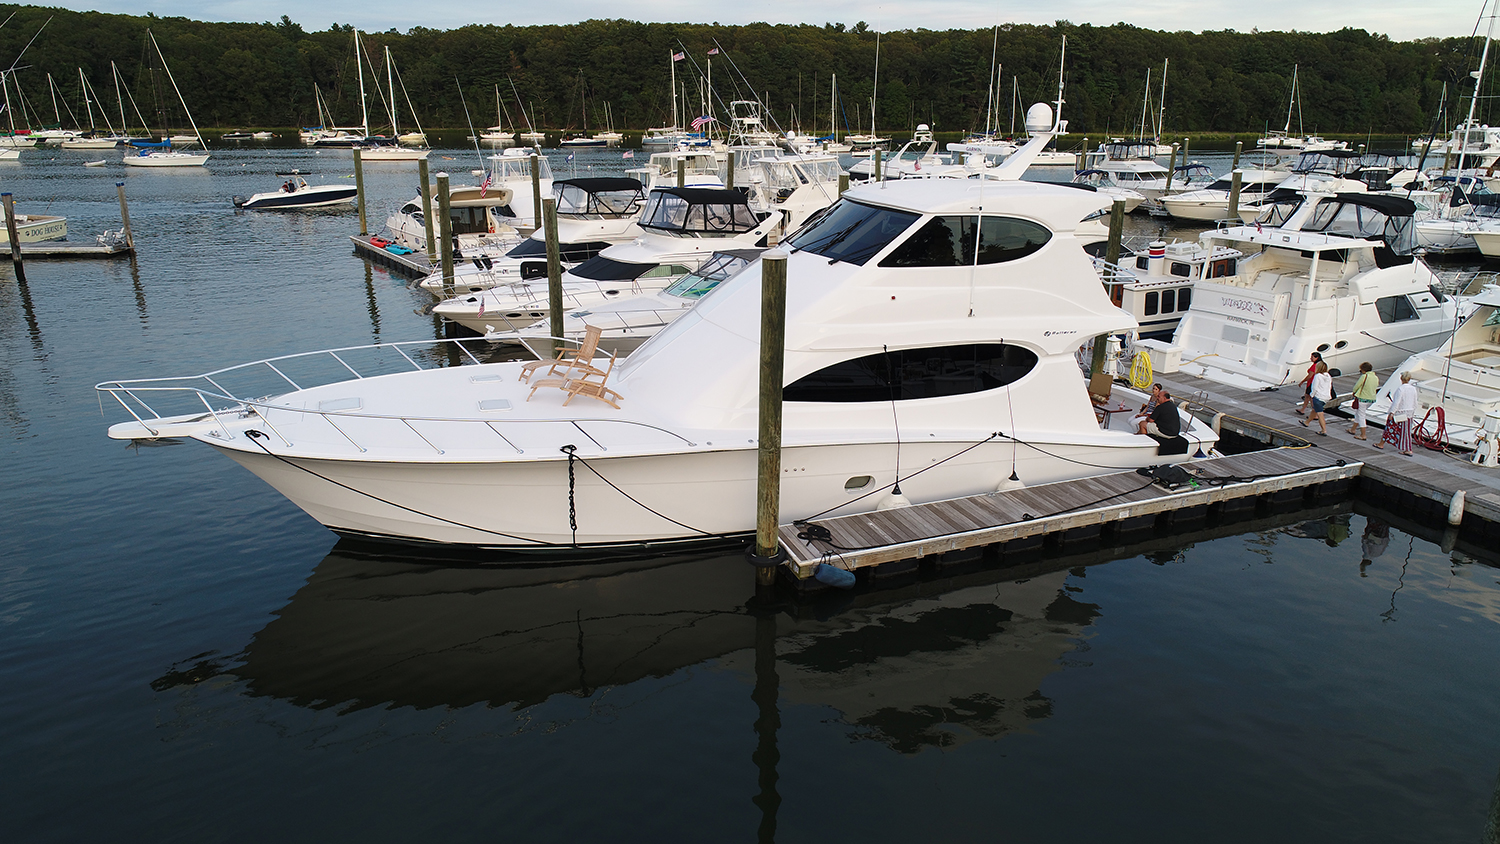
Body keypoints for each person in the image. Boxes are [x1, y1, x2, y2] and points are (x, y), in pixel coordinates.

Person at [1376, 371, 1418, 455]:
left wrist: (1392, 412)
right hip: (1409, 412)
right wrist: (1413, 411)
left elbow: (1396, 402)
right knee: (1407, 431)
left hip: (1399, 412)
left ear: (1401, 379)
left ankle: (1382, 444)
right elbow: (1415, 402)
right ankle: (1407, 448)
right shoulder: (1413, 389)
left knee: (1389, 428)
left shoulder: (1401, 389)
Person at [1300, 361, 1331, 436]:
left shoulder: (1317, 376)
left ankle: (1323, 430)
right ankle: (1306, 422)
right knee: (1314, 410)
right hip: (1326, 397)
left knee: (1320, 413)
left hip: (1318, 397)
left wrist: (1312, 395)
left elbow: (1314, 387)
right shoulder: (1328, 376)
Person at [1348, 362, 1378, 440]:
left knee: (1361, 416)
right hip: (1371, 399)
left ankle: (1363, 435)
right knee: (1358, 413)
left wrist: (1354, 392)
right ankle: (1353, 429)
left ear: (1364, 370)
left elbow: (1357, 386)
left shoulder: (1364, 376)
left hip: (1362, 398)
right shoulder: (1375, 377)